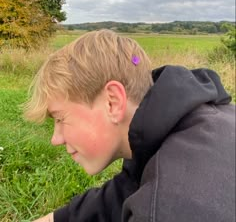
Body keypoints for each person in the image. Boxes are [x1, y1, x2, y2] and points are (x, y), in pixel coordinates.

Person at [24, 29, 235, 222]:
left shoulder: (170, 204)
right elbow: (118, 195)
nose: (56, 139)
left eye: (60, 119)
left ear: (112, 102)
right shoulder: (181, 123)